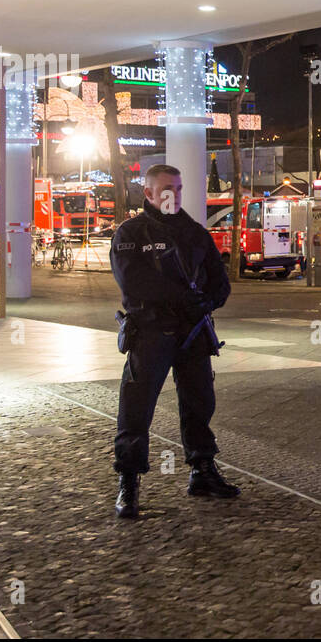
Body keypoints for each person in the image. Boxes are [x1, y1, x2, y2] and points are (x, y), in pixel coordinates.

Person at [109, 163, 239, 519]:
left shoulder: (194, 232)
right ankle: (129, 481)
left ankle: (202, 470)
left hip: (193, 333)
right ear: (148, 193)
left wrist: (208, 301)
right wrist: (185, 298)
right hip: (151, 333)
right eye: (167, 188)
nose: (175, 194)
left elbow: (219, 279)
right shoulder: (129, 233)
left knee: (200, 403)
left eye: (179, 188)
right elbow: (134, 282)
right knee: (136, 409)